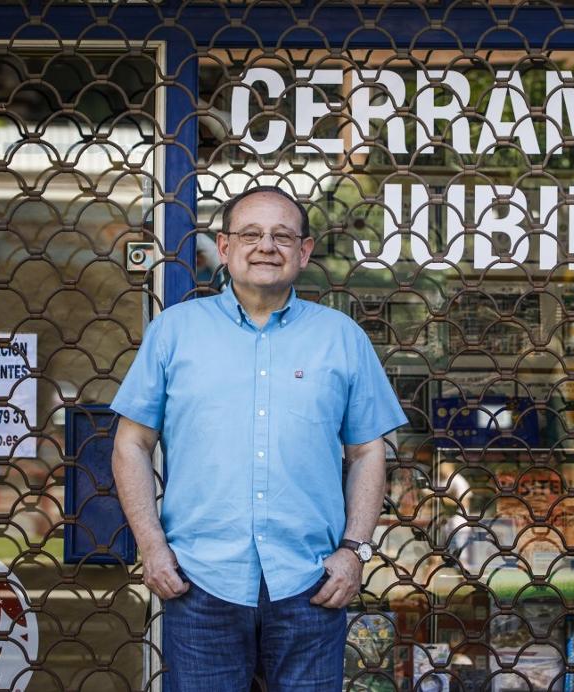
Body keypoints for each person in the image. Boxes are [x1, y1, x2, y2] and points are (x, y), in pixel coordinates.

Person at [110, 185, 406, 691]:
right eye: (250, 234)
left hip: (312, 584)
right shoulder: (174, 331)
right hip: (199, 582)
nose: (266, 246)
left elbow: (367, 451)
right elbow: (130, 444)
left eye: (282, 236)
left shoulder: (341, 338)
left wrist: (354, 550)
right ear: (224, 248)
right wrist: (152, 546)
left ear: (304, 251)